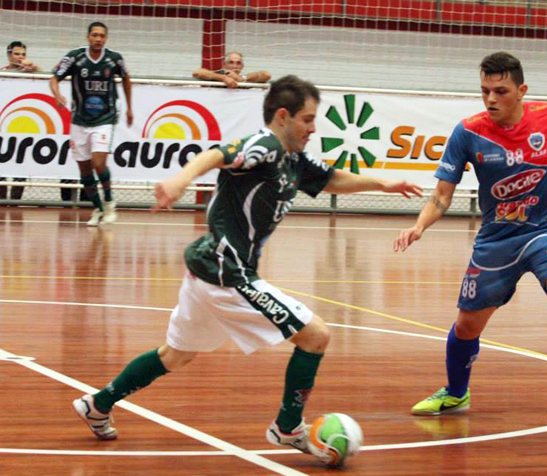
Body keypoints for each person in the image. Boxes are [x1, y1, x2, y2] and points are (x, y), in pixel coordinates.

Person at [71, 75, 422, 460]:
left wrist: (384, 184)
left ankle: (98, 404)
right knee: (315, 336)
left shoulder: (293, 160)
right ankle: (287, 429)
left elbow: (332, 179)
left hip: (209, 267)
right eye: (307, 119)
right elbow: (217, 155)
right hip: (227, 272)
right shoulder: (265, 145)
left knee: (177, 355)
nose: (313, 128)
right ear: (284, 116)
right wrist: (180, 179)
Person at [394, 52, 547, 418]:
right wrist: (419, 225)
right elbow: (441, 196)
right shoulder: (468, 132)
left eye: (500, 91)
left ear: (522, 90)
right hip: (497, 240)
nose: (491, 99)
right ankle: (455, 393)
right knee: (466, 325)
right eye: (485, 91)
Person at [49, 21, 133, 226]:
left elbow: (126, 79)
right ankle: (98, 208)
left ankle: (110, 202)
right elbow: (54, 78)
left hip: (104, 119)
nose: (98, 39)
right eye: (94, 35)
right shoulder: (75, 57)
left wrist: (130, 107)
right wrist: (57, 94)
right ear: (88, 37)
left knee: (98, 163)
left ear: (106, 38)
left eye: (102, 36)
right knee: (84, 169)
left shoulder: (114, 59)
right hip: (79, 120)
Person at [0, 40, 41, 199]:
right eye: (17, 54)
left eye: (23, 54)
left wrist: (35, 68)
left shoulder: (30, 72)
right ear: (9, 55)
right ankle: (2, 201)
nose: (20, 57)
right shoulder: (2, 72)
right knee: (2, 166)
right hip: (4, 125)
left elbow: (48, 80)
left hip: (22, 125)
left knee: (20, 166)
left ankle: (15, 201)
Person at [192, 51, 271, 89]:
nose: (235, 66)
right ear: (224, 65)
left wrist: (242, 79)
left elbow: (266, 75)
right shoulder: (218, 75)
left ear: (242, 66)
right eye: (231, 62)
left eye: (238, 63)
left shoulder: (245, 80)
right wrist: (224, 78)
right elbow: (197, 72)